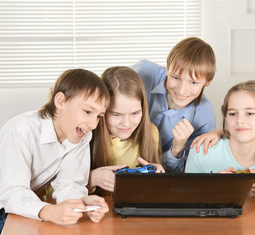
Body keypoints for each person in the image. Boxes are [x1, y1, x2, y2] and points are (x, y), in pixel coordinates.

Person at [0, 69, 110, 231]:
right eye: (87, 111)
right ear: (60, 101)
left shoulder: (81, 135)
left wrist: (81, 203)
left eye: (99, 116)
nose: (93, 124)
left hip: (18, 209)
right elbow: (12, 192)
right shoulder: (21, 130)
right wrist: (49, 211)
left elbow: (69, 183)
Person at [131, 37, 216, 173]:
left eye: (193, 82)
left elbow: (185, 174)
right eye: (175, 77)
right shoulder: (142, 73)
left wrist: (177, 149)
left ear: (207, 81)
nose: (182, 91)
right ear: (167, 69)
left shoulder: (204, 117)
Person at [185, 80, 255, 196]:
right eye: (232, 114)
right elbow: (187, 200)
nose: (239, 120)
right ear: (226, 118)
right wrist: (215, 188)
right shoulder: (201, 151)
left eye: (250, 113)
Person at [88, 66, 164, 195]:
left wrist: (158, 179)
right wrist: (91, 179)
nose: (127, 123)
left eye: (135, 113)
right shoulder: (86, 136)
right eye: (116, 114)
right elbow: (53, 192)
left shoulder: (151, 132)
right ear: (103, 111)